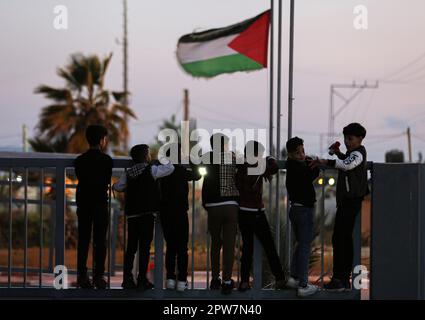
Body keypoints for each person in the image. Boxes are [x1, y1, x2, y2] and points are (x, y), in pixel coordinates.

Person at [310, 123, 368, 291]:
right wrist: (338, 154)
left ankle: (341, 278)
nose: (347, 141)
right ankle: (341, 278)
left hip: (351, 201)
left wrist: (324, 160)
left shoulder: (358, 153)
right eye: (345, 138)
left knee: (342, 239)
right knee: (341, 238)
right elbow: (346, 161)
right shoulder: (352, 153)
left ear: (360, 139)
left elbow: (347, 165)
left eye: (350, 139)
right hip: (347, 201)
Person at [113, 144, 174, 290]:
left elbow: (118, 187)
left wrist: (115, 185)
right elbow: (170, 168)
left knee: (131, 248)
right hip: (147, 214)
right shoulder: (151, 170)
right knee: (144, 248)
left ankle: (127, 278)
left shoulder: (128, 173)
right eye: (148, 154)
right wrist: (165, 160)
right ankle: (142, 279)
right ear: (146, 157)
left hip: (132, 215)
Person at [235, 140, 287, 292]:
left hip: (242, 211)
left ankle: (244, 281)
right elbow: (275, 167)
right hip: (257, 212)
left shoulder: (240, 167)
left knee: (247, 248)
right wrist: (270, 158)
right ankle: (280, 278)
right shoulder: (260, 166)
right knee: (269, 246)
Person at [74, 124, 113, 289]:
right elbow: (106, 180)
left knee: (83, 240)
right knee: (100, 242)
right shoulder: (107, 161)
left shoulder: (79, 161)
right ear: (102, 140)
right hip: (100, 204)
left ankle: (82, 276)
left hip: (84, 203)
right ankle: (98, 276)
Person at [159, 143, 201, 292]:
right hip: (180, 212)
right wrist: (192, 161)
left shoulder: (162, 172)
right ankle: (182, 280)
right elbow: (197, 175)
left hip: (165, 213)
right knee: (182, 248)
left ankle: (170, 279)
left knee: (170, 246)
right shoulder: (182, 171)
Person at [201, 133, 239, 294]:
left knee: (216, 244)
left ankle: (215, 279)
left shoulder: (206, 157)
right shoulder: (232, 157)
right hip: (230, 204)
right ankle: (227, 280)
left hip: (212, 206)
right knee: (229, 245)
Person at [285, 137, 320, 297]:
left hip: (296, 209)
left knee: (301, 244)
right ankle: (303, 285)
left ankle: (294, 277)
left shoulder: (292, 166)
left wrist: (309, 163)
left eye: (303, 151)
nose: (302, 155)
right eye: (298, 153)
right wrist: (316, 166)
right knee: (305, 247)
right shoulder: (297, 168)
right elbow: (309, 175)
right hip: (304, 211)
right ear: (291, 154)